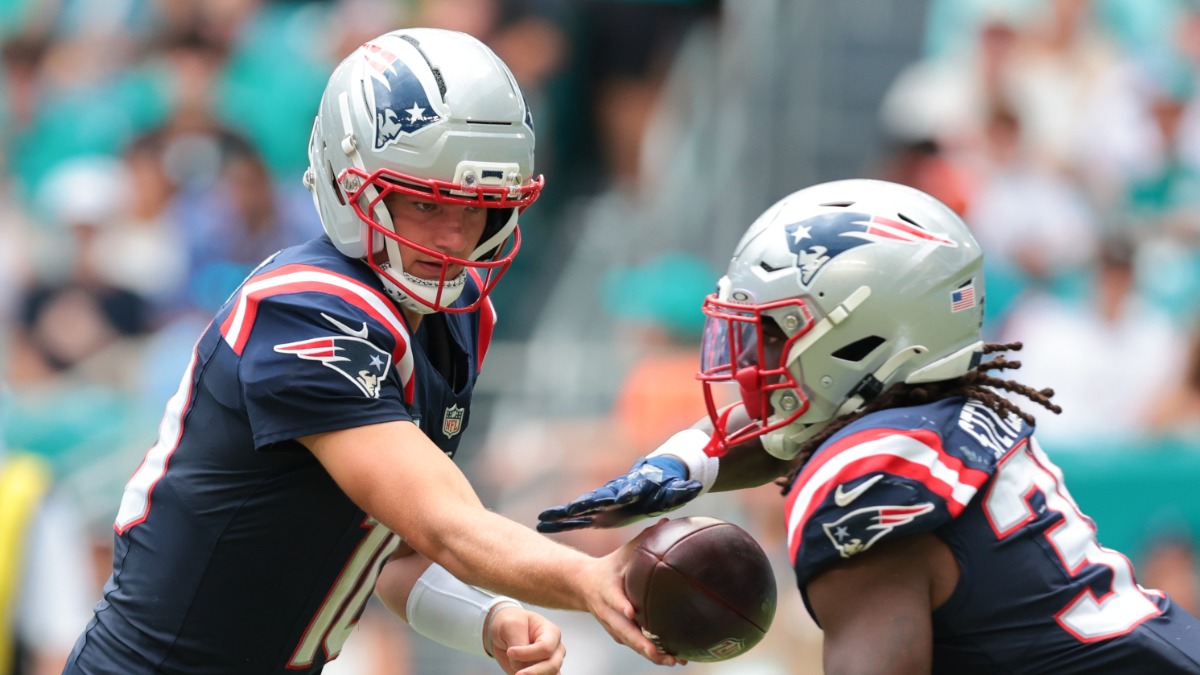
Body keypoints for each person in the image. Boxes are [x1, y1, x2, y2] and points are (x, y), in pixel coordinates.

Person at [63, 28, 676, 675]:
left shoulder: (451, 318)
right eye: (423, 202)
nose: (452, 236)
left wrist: (490, 617)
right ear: (348, 182)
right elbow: (442, 521)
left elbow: (395, 552)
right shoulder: (302, 309)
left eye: (477, 206)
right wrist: (589, 577)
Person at [538, 179, 1200, 673]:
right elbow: (795, 434)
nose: (749, 361)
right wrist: (689, 463)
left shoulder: (868, 477)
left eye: (773, 331)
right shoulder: (951, 412)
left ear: (862, 336)